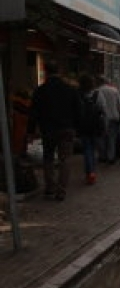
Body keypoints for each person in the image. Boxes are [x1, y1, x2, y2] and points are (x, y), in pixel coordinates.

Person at [27, 61, 82, 201]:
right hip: (66, 129)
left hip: (48, 130)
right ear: (59, 71)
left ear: (46, 72)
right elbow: (79, 110)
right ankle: (61, 191)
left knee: (48, 158)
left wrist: (31, 131)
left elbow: (33, 113)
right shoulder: (70, 89)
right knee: (65, 160)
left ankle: (50, 187)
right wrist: (76, 128)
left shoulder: (40, 91)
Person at [77, 74, 106, 185]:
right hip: (95, 125)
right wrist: (104, 124)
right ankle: (92, 171)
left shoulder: (78, 94)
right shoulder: (97, 94)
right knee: (93, 148)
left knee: (87, 149)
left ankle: (90, 172)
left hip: (83, 126)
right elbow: (103, 109)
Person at [96, 76, 120, 164]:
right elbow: (119, 104)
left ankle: (103, 155)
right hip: (113, 117)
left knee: (101, 138)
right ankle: (111, 156)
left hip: (101, 118)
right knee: (112, 138)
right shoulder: (114, 91)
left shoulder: (96, 92)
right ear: (107, 82)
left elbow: (96, 105)